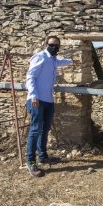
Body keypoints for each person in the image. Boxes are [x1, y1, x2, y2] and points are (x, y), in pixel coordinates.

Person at [25, 35, 75, 177]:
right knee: (35, 130)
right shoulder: (40, 57)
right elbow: (30, 76)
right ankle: (31, 162)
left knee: (45, 129)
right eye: (52, 44)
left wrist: (72, 61)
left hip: (48, 100)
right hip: (37, 100)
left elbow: (60, 62)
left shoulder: (52, 60)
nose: (54, 47)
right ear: (46, 44)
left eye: (57, 45)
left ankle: (43, 156)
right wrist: (33, 95)